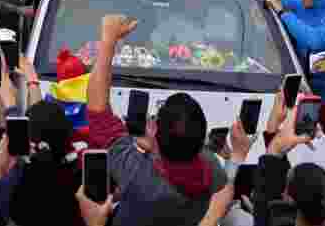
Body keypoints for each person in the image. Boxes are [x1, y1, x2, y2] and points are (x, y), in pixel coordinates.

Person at [85, 14, 227, 226]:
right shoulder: (211, 168)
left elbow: (98, 110)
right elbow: (223, 188)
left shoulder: (135, 172)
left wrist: (108, 40)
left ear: (152, 130)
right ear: (201, 141)